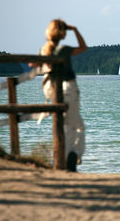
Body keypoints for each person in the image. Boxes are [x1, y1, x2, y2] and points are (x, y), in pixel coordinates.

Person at [29, 19, 87, 172]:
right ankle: (72, 156)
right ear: (62, 34)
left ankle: (65, 158)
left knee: (65, 126)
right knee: (76, 127)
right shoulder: (64, 50)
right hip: (69, 89)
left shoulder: (44, 49)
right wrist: (74, 29)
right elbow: (83, 47)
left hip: (54, 92)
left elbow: (32, 65)